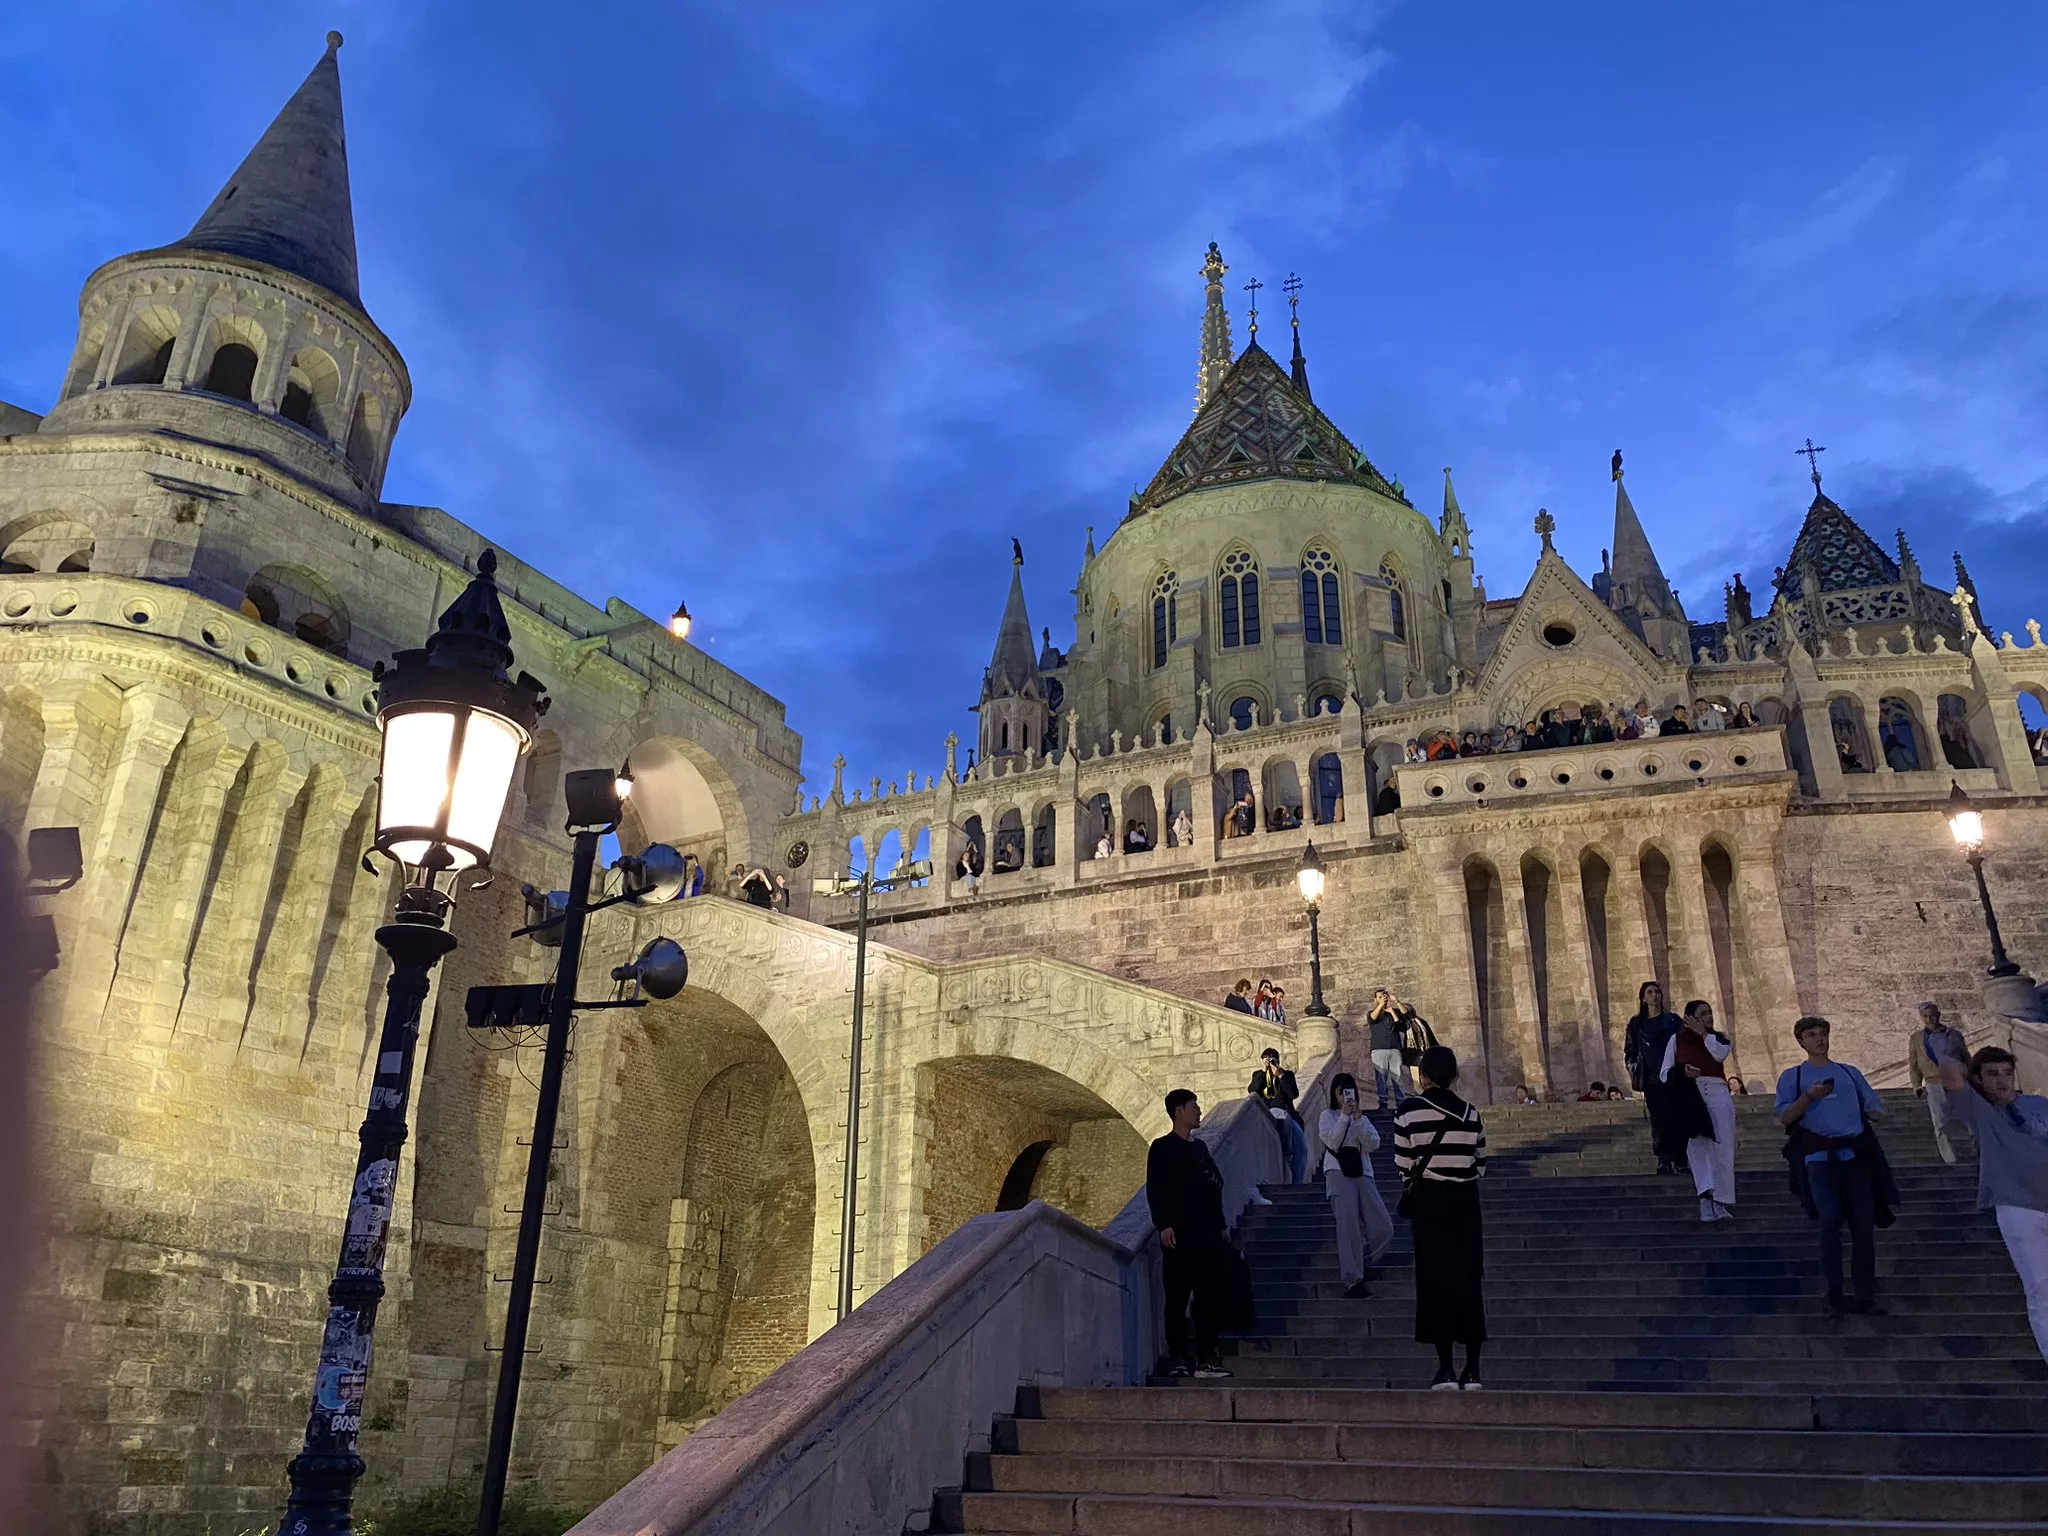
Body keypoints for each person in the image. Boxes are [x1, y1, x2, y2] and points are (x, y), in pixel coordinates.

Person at [1934, 1046, 2048, 1361]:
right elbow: (1947, 1066)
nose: (2002, 1081)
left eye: (2007, 1073)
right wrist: (1972, 1077)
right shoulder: (1978, 1109)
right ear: (1979, 1079)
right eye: (1992, 1074)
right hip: (2018, 1206)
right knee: (2040, 1287)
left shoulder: (2039, 1104)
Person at [1776, 1017, 1886, 1315]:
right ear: (1801, 1041)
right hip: (1819, 1162)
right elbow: (1785, 1118)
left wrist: (1872, 1112)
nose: (1819, 1039)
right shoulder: (1793, 1076)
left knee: (1863, 1227)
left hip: (1855, 1159)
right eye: (1812, 1035)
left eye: (1823, 1034)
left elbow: (1875, 1107)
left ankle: (1864, 1293)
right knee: (1829, 1221)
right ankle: (1834, 1291)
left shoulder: (1849, 1073)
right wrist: (1809, 1097)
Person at [1394, 1045, 1487, 1390]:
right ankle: (1474, 1370)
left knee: (1435, 1283)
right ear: (1454, 1076)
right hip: (1465, 1203)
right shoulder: (1471, 1113)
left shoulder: (1408, 1112)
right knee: (1468, 1282)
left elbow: (1404, 1166)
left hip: (1430, 1204)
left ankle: (1446, 1369)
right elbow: (1481, 1164)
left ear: (1423, 1076)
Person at [1146, 1089, 1232, 1378]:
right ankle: (1178, 1358)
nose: (1199, 1110)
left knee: (1208, 1297)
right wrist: (1163, 1224)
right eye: (1194, 1106)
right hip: (1179, 1235)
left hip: (1206, 1232)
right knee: (1177, 1298)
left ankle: (1208, 1357)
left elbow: (1215, 1185)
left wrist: (1220, 1226)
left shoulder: (1201, 1148)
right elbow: (1156, 1188)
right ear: (1179, 1110)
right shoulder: (1161, 1147)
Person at [1320, 1074, 1394, 1299]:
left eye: (1349, 1091)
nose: (1346, 1096)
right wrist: (1344, 1116)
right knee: (1348, 1227)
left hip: (1363, 1172)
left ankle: (1363, 1261)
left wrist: (1359, 1120)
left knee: (1383, 1226)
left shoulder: (1361, 1118)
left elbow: (1373, 1144)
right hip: (1337, 1173)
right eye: (1342, 1092)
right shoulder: (1327, 1116)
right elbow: (1332, 1142)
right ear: (1335, 1094)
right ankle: (1353, 1279)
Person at [1663, 999, 1736, 1221]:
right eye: (1703, 1013)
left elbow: (1719, 1055)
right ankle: (1705, 1198)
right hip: (1691, 1095)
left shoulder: (1719, 1038)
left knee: (1723, 1147)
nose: (1709, 1017)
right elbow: (1664, 1073)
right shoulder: (1676, 1040)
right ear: (1690, 1017)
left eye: (1710, 1012)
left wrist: (1704, 1034)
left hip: (1718, 1093)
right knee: (1698, 1147)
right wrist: (1683, 1071)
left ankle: (1721, 1200)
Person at [1623, 982, 1687, 1175]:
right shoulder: (1636, 1024)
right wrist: (1634, 1067)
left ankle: (1680, 1158)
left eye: (1657, 992)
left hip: (1674, 1076)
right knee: (1659, 1120)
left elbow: (1684, 1045)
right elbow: (1630, 1049)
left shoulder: (1673, 1021)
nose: (1654, 996)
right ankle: (1663, 1157)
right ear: (1643, 998)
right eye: (1650, 993)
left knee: (1677, 1117)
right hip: (1651, 1077)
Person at [1908, 1001, 1970, 1165]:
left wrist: (1972, 1078)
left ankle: (1977, 1149)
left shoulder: (1954, 1035)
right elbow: (1914, 1064)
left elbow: (1966, 1057)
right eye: (1925, 1017)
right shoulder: (1916, 1038)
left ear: (1939, 1015)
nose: (1930, 1020)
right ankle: (1950, 1158)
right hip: (1933, 1081)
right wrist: (1916, 1085)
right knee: (1940, 1122)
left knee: (1969, 1117)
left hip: (1956, 1079)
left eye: (1932, 1016)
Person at [1249, 1047, 1308, 1185]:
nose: (1270, 1063)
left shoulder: (1287, 1075)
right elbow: (1252, 1092)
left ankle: (1297, 1182)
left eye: (1273, 1059)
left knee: (1302, 1146)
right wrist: (1264, 1073)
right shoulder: (1258, 1075)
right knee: (1280, 1115)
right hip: (1268, 1114)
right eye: (1267, 1059)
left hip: (1288, 1114)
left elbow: (1293, 1094)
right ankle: (1286, 1153)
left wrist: (1281, 1076)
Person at [1367, 989, 1409, 1108]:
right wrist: (1381, 1005)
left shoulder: (1393, 1012)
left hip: (1395, 1048)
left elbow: (1404, 1019)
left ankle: (1401, 1103)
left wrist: (1396, 1002)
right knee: (1381, 1077)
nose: (1383, 999)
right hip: (1378, 1049)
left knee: (1398, 1076)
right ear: (1375, 999)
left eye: (1384, 997)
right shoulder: (1372, 1012)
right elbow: (1372, 1019)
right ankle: (1383, 1102)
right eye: (1379, 997)